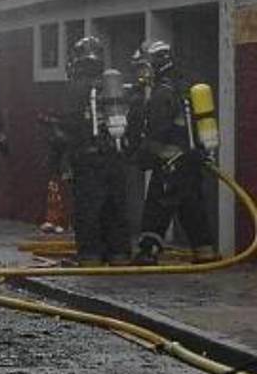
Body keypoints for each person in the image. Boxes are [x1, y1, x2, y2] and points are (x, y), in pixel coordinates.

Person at [130, 41, 218, 265]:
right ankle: (205, 252)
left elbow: (158, 130)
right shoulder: (185, 85)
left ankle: (147, 252)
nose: (142, 73)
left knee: (157, 206)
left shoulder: (162, 93)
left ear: (156, 65)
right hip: (192, 158)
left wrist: (143, 155)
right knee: (191, 205)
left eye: (144, 66)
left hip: (171, 159)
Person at [55, 36, 131, 266]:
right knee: (114, 206)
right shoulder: (110, 84)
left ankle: (90, 256)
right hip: (115, 156)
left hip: (88, 158)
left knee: (88, 207)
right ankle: (119, 255)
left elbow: (69, 124)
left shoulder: (75, 87)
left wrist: (62, 153)